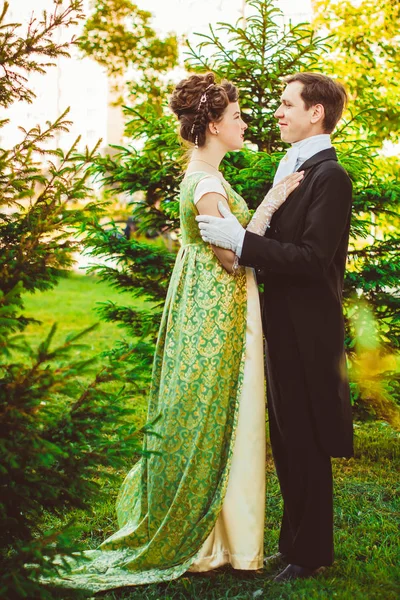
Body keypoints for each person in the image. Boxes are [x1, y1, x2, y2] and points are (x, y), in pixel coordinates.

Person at [42, 73, 302, 594]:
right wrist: (271, 204)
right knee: (219, 415)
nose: (245, 123)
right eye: (236, 117)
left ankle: (229, 537)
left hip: (211, 304)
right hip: (217, 312)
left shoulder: (205, 174)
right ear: (212, 124)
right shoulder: (205, 182)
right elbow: (231, 258)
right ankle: (216, 541)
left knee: (219, 415)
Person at [197, 72, 354, 582]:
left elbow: (312, 258)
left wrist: (241, 243)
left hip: (309, 329)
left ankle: (309, 553)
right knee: (287, 438)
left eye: (288, 105)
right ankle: (294, 547)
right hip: (280, 323)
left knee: (305, 437)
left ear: (317, 113)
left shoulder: (331, 177)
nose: (278, 113)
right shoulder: (295, 166)